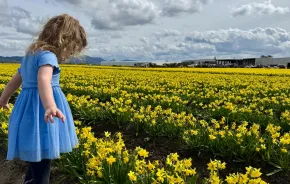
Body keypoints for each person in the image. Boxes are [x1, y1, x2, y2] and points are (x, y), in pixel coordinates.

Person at [0, 14, 87, 184]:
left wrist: (3, 99)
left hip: (28, 111)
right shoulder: (48, 56)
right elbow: (44, 79)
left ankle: (30, 180)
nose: (70, 53)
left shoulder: (30, 55)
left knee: (36, 157)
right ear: (64, 40)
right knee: (43, 158)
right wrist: (50, 105)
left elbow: (16, 80)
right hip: (42, 113)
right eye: (72, 48)